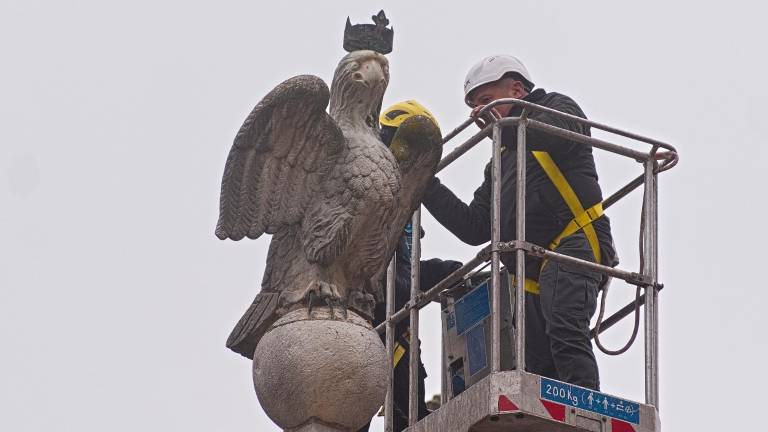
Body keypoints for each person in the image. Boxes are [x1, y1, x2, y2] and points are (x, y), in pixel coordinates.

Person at [422, 55, 618, 391]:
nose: (478, 113)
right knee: (534, 359)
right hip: (528, 265)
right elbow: (474, 226)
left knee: (565, 327)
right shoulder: (501, 160)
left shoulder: (557, 108)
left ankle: (585, 409)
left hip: (573, 242)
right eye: (474, 106)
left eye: (486, 100)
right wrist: (424, 182)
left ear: (517, 90)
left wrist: (507, 128)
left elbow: (559, 135)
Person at [358, 100, 462, 432]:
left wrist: (445, 273)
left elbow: (402, 271)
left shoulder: (402, 200)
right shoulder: (368, 193)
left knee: (410, 416)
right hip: (364, 329)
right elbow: (378, 277)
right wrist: (433, 277)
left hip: (394, 330)